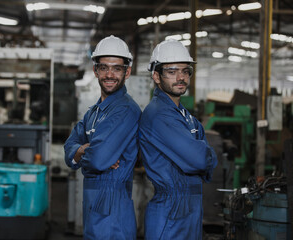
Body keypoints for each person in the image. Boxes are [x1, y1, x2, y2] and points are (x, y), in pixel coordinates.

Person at [139, 39, 218, 240]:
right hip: (170, 214)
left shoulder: (183, 114)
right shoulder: (159, 115)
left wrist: (201, 153)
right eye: (172, 71)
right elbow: (201, 159)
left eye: (185, 70)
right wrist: (203, 151)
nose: (181, 77)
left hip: (189, 209)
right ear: (156, 76)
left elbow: (205, 157)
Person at [64, 35, 141, 239]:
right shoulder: (94, 112)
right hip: (93, 202)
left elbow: (98, 160)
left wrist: (86, 154)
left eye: (117, 68)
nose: (109, 74)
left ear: (127, 72)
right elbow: (70, 146)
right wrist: (81, 150)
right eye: (104, 67)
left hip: (113, 205)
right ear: (95, 70)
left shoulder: (125, 109)